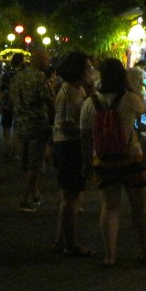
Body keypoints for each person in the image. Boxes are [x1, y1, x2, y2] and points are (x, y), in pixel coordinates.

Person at [80, 58, 146, 266]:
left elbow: (85, 136)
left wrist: (87, 162)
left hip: (103, 159)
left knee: (110, 208)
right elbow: (143, 108)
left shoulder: (90, 102)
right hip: (132, 156)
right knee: (140, 208)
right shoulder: (130, 99)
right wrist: (131, 86)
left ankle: (110, 255)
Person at [51, 51, 95, 255]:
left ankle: (62, 240)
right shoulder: (69, 93)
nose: (91, 70)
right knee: (71, 198)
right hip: (69, 146)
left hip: (66, 146)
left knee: (69, 197)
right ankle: (71, 244)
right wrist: (88, 131)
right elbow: (67, 126)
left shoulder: (76, 89)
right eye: (87, 68)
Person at [10, 49, 54, 212]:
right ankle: (24, 198)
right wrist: (55, 116)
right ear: (39, 60)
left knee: (25, 161)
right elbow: (47, 99)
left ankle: (35, 193)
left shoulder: (18, 76)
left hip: (21, 124)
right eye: (46, 58)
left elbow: (12, 99)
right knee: (35, 164)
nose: (49, 60)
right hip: (37, 124)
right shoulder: (39, 77)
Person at [0, 53, 24, 159]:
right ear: (22, 62)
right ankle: (16, 150)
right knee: (17, 127)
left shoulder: (7, 74)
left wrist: (0, 102)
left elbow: (2, 89)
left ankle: (8, 145)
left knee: (6, 125)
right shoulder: (24, 75)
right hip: (20, 102)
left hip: (7, 103)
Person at [127, 59, 146, 130]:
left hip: (130, 92)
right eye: (144, 66)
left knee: (132, 109)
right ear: (142, 65)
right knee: (139, 109)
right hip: (139, 92)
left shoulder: (130, 70)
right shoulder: (141, 71)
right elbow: (141, 83)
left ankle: (132, 125)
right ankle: (139, 125)